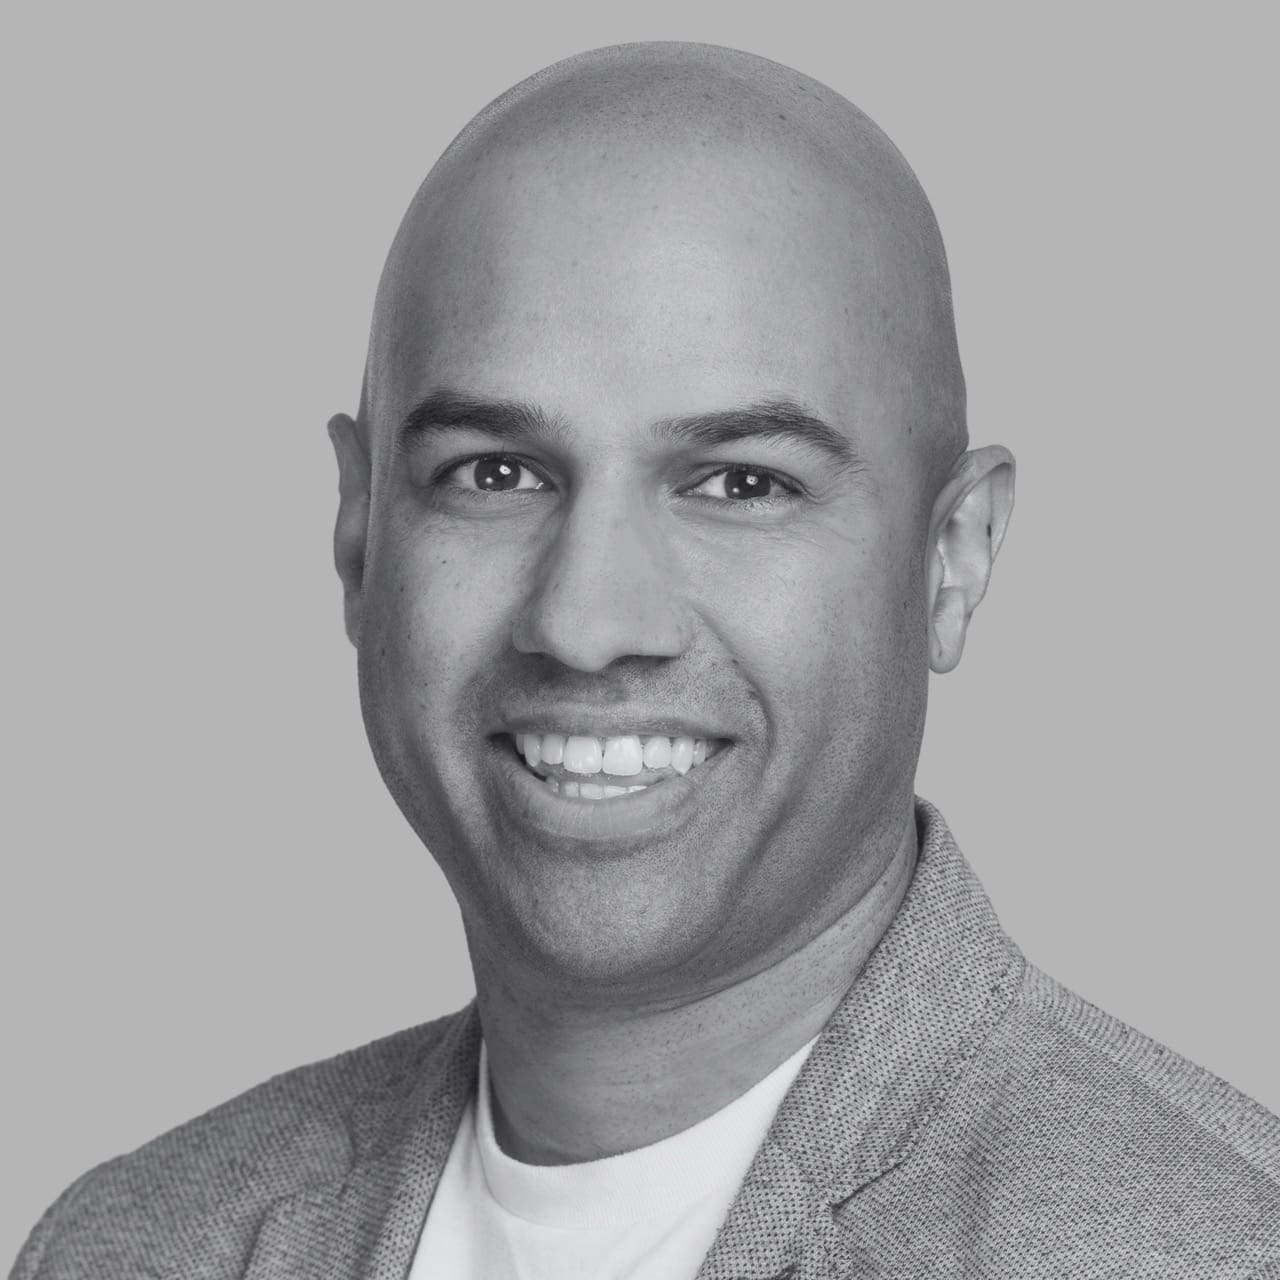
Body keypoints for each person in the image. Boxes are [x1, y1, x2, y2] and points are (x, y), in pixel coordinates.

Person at [12, 40, 1280, 1280]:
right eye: (494, 473)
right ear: (358, 533)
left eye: (738, 482)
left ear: (951, 555)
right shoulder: (135, 1240)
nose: (585, 618)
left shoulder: (1213, 1247)